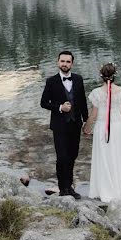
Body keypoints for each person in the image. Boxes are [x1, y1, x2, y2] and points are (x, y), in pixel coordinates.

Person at [84, 63, 121, 203]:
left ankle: (105, 190)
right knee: (118, 157)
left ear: (101, 76)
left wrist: (86, 127)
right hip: (118, 128)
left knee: (104, 157)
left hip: (102, 128)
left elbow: (94, 115)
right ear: (115, 76)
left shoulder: (96, 93)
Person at [40, 50, 88, 199]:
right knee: (62, 157)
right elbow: (43, 103)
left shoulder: (79, 79)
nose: (65, 64)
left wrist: (87, 122)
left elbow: (83, 102)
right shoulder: (51, 81)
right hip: (59, 126)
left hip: (75, 125)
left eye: (68, 61)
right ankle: (62, 188)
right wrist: (60, 108)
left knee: (72, 156)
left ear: (72, 64)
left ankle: (70, 187)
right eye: (62, 61)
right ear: (58, 62)